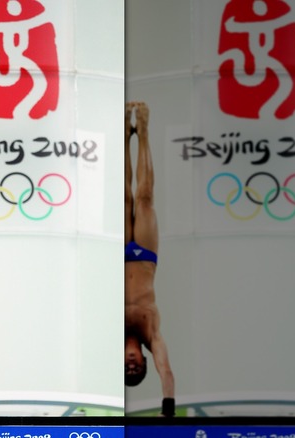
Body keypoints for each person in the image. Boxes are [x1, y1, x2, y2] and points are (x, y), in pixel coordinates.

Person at [124, 101, 175, 417]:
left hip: (116, 255)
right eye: (136, 370)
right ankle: (143, 132)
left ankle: (121, 134)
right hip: (144, 256)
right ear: (143, 361)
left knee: (121, 196)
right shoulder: (152, 334)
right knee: (142, 198)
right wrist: (167, 412)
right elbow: (167, 372)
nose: (131, 366)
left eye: (126, 371)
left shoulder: (109, 333)